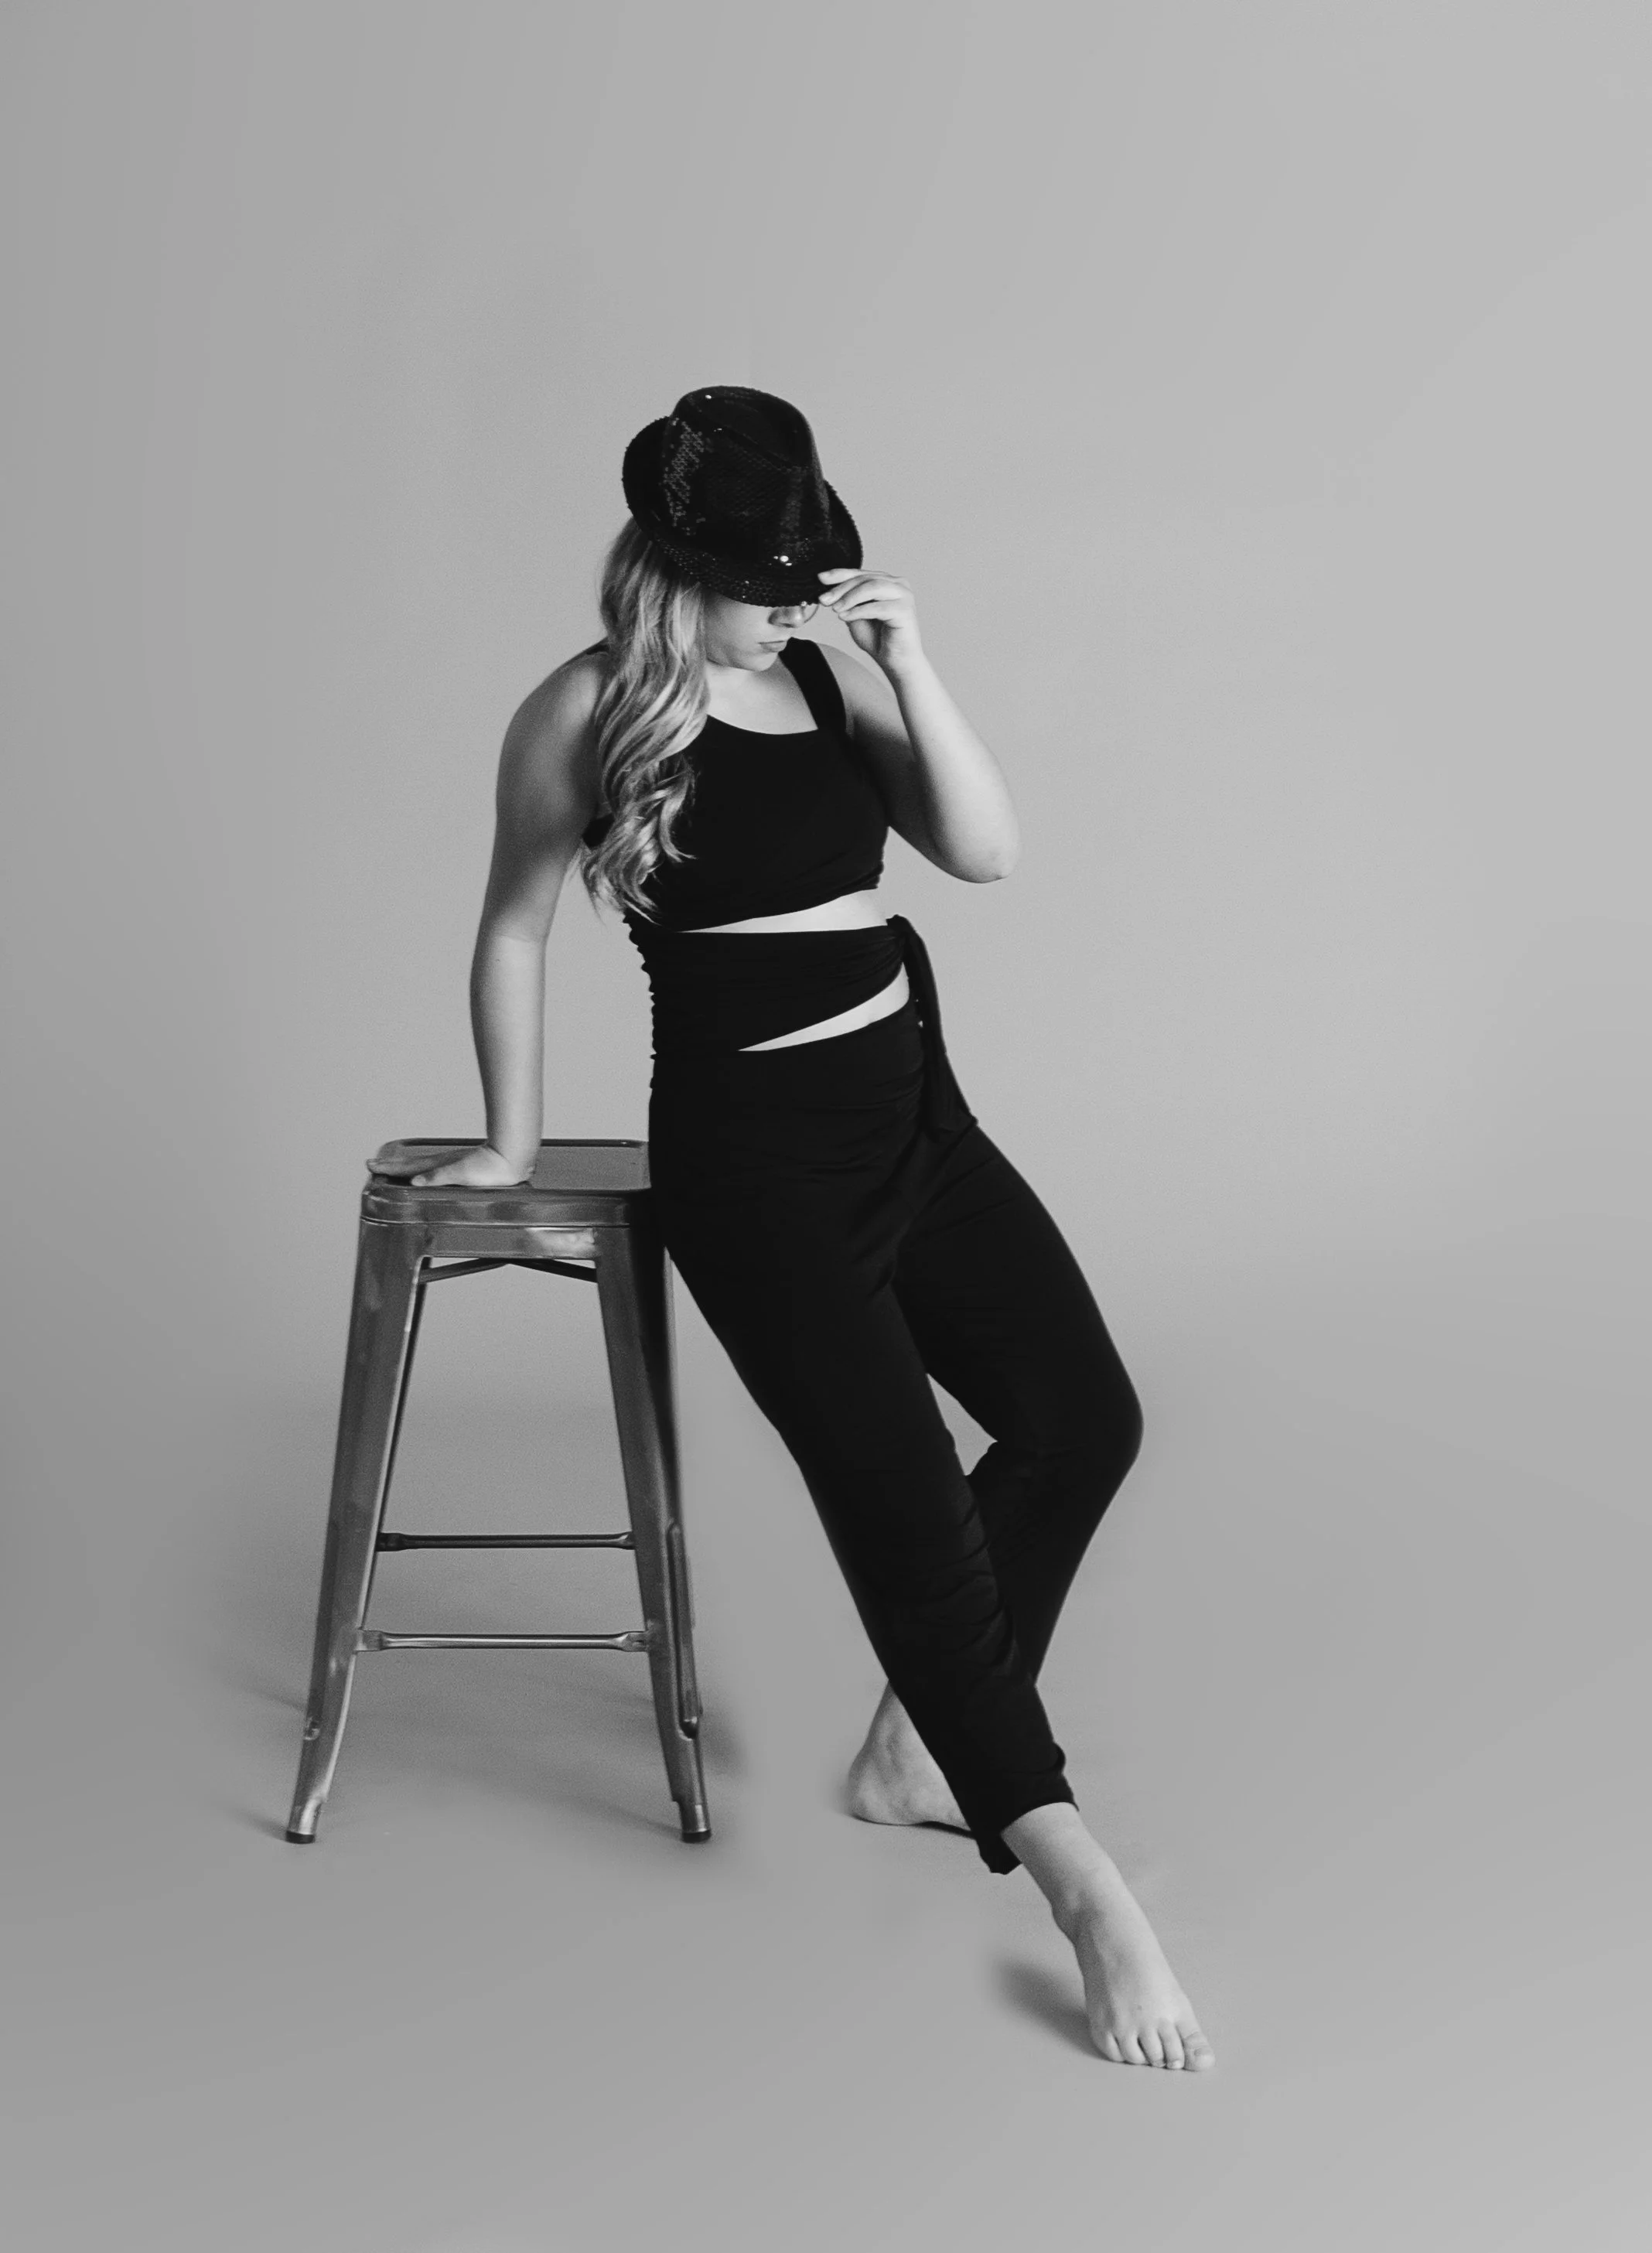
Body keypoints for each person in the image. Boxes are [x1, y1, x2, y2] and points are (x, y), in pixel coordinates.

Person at [381, 387, 1214, 2071]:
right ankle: (1082, 1888)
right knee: (912, 1522)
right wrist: (512, 1142)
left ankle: (919, 1754)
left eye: (805, 577)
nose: (792, 606)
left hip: (915, 1111)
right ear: (671, 568)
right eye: (764, 584)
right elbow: (515, 927)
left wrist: (911, 662)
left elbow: (984, 853)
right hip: (757, 1171)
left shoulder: (828, 679)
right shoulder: (585, 714)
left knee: (1083, 1418)